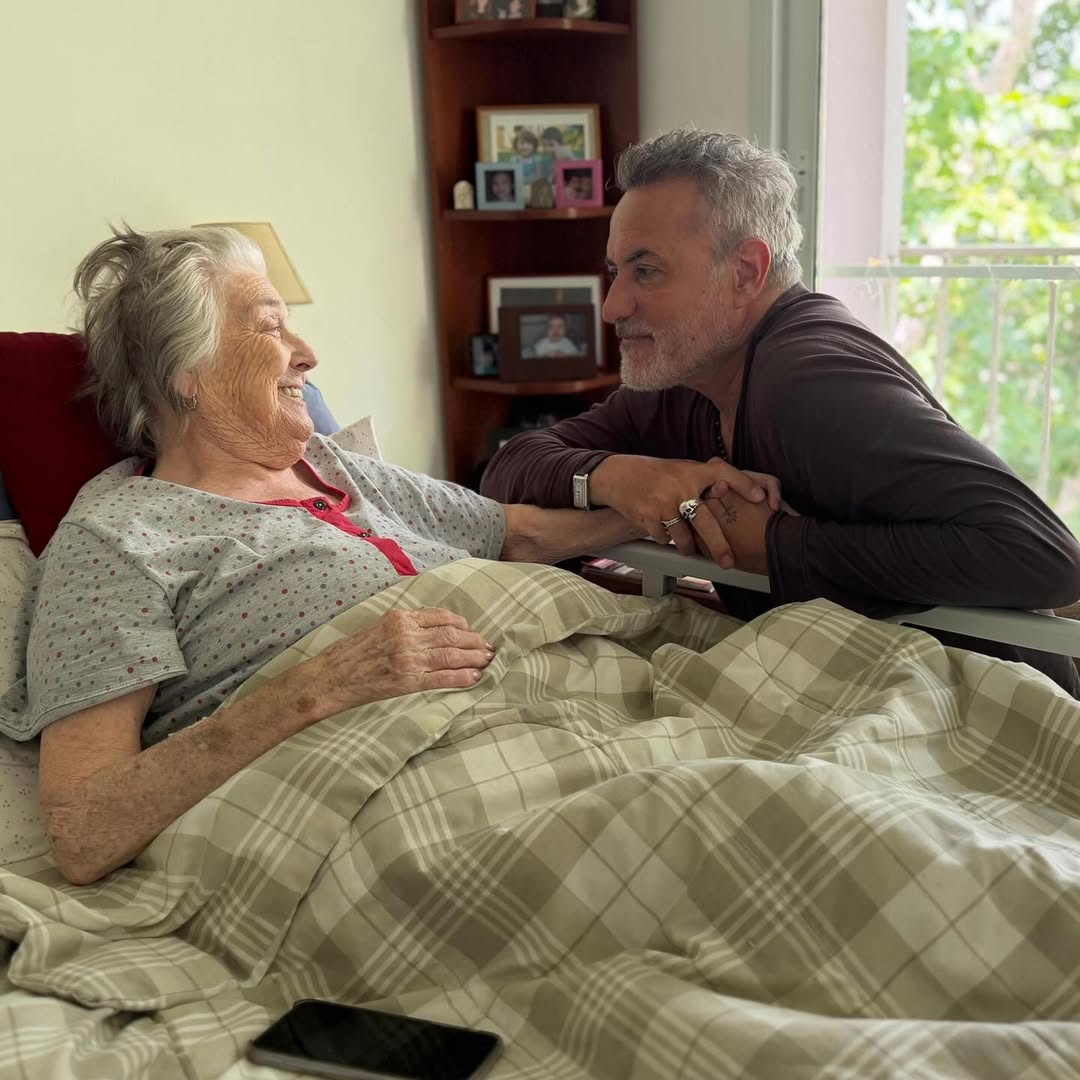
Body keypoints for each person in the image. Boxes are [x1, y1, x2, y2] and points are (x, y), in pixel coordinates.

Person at [0, 226, 655, 885]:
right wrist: (321, 685)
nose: (307, 356)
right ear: (184, 374)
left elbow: (512, 533)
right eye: (270, 327)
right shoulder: (118, 537)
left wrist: (663, 507)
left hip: (576, 712)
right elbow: (81, 832)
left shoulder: (334, 465)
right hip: (421, 797)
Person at [481, 129, 1080, 696]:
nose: (612, 306)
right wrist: (622, 478)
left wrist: (773, 544)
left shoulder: (812, 382)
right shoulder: (688, 377)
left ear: (745, 271)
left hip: (988, 698)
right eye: (616, 271)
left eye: (647, 271)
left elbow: (1045, 557)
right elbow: (508, 469)